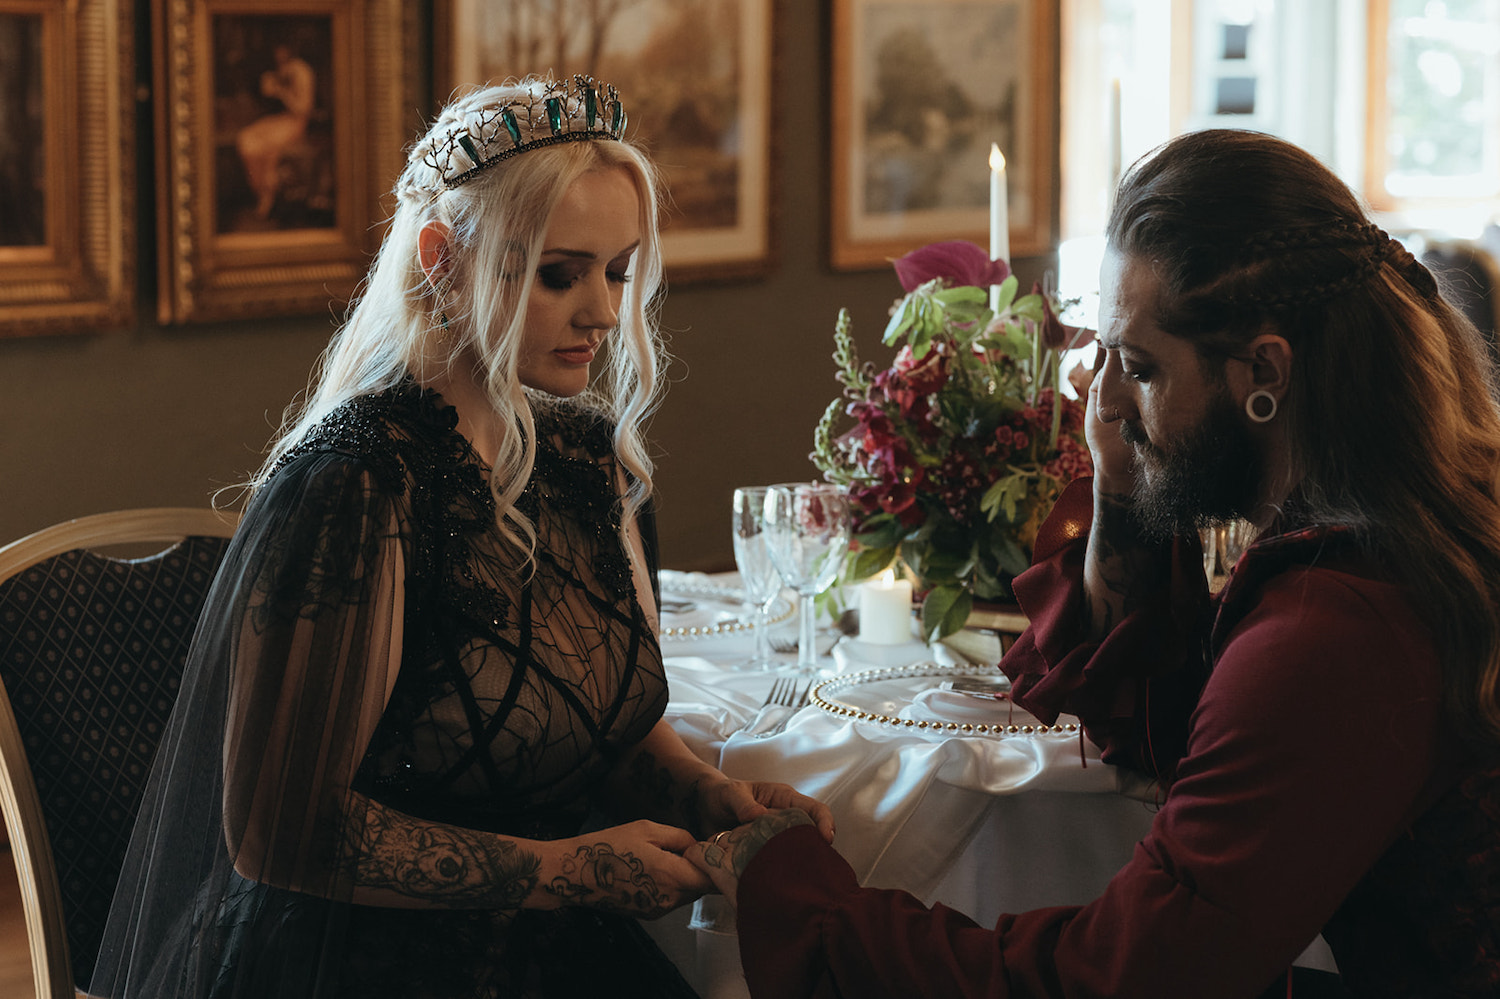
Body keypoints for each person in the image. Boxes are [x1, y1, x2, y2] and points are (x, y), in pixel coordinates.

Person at [687, 128, 1500, 997]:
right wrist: (1124, 477)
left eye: (1140, 367)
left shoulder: (1334, 627)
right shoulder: (1418, 528)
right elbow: (1162, 720)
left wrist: (804, 898)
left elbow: (1111, 979)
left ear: (1264, 370)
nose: (1102, 399)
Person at [89, 74, 833, 999]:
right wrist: (569, 871)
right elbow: (281, 831)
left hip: (554, 953)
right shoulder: (358, 485)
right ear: (441, 261)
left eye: (618, 270)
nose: (602, 312)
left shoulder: (586, 461)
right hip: (355, 965)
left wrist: (711, 795)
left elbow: (617, 731)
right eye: (561, 273)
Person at [235, 44, 316, 218]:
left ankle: (266, 196)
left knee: (263, 146)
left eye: (282, 50)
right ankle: (258, 190)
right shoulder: (284, 69)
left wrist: (280, 91)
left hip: (297, 124)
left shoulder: (301, 71)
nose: (279, 54)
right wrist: (269, 89)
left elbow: (303, 109)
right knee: (245, 137)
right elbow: (270, 98)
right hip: (284, 118)